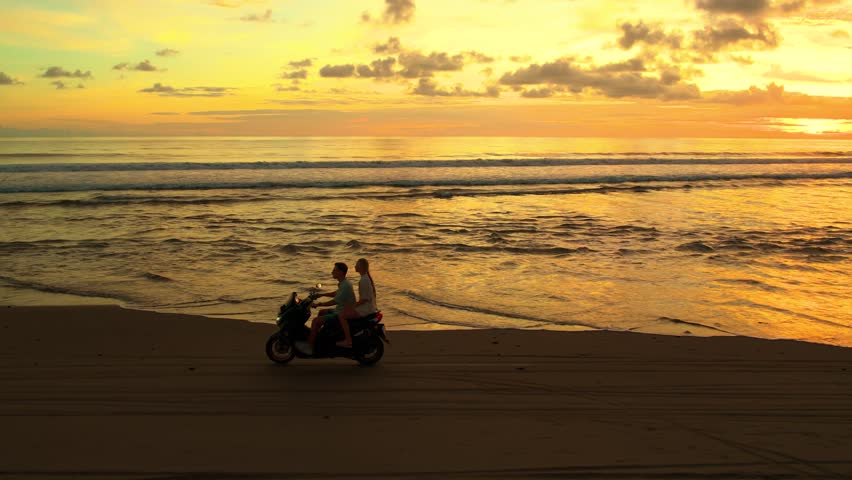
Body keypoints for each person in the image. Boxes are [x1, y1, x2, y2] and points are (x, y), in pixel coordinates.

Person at [297, 262, 355, 355]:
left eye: (334, 270)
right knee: (322, 312)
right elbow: (335, 293)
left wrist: (319, 304)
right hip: (339, 310)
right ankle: (320, 337)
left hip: (340, 313)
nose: (332, 272)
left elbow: (334, 301)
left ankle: (309, 347)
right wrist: (321, 295)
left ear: (341, 272)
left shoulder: (345, 285)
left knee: (315, 321)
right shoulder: (344, 283)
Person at [335, 257, 378, 347]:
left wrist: (352, 306)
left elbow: (364, 300)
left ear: (361, 267)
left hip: (365, 309)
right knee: (345, 310)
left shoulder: (363, 280)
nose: (355, 266)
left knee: (341, 315)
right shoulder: (365, 278)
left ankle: (348, 340)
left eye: (357, 265)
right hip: (368, 307)